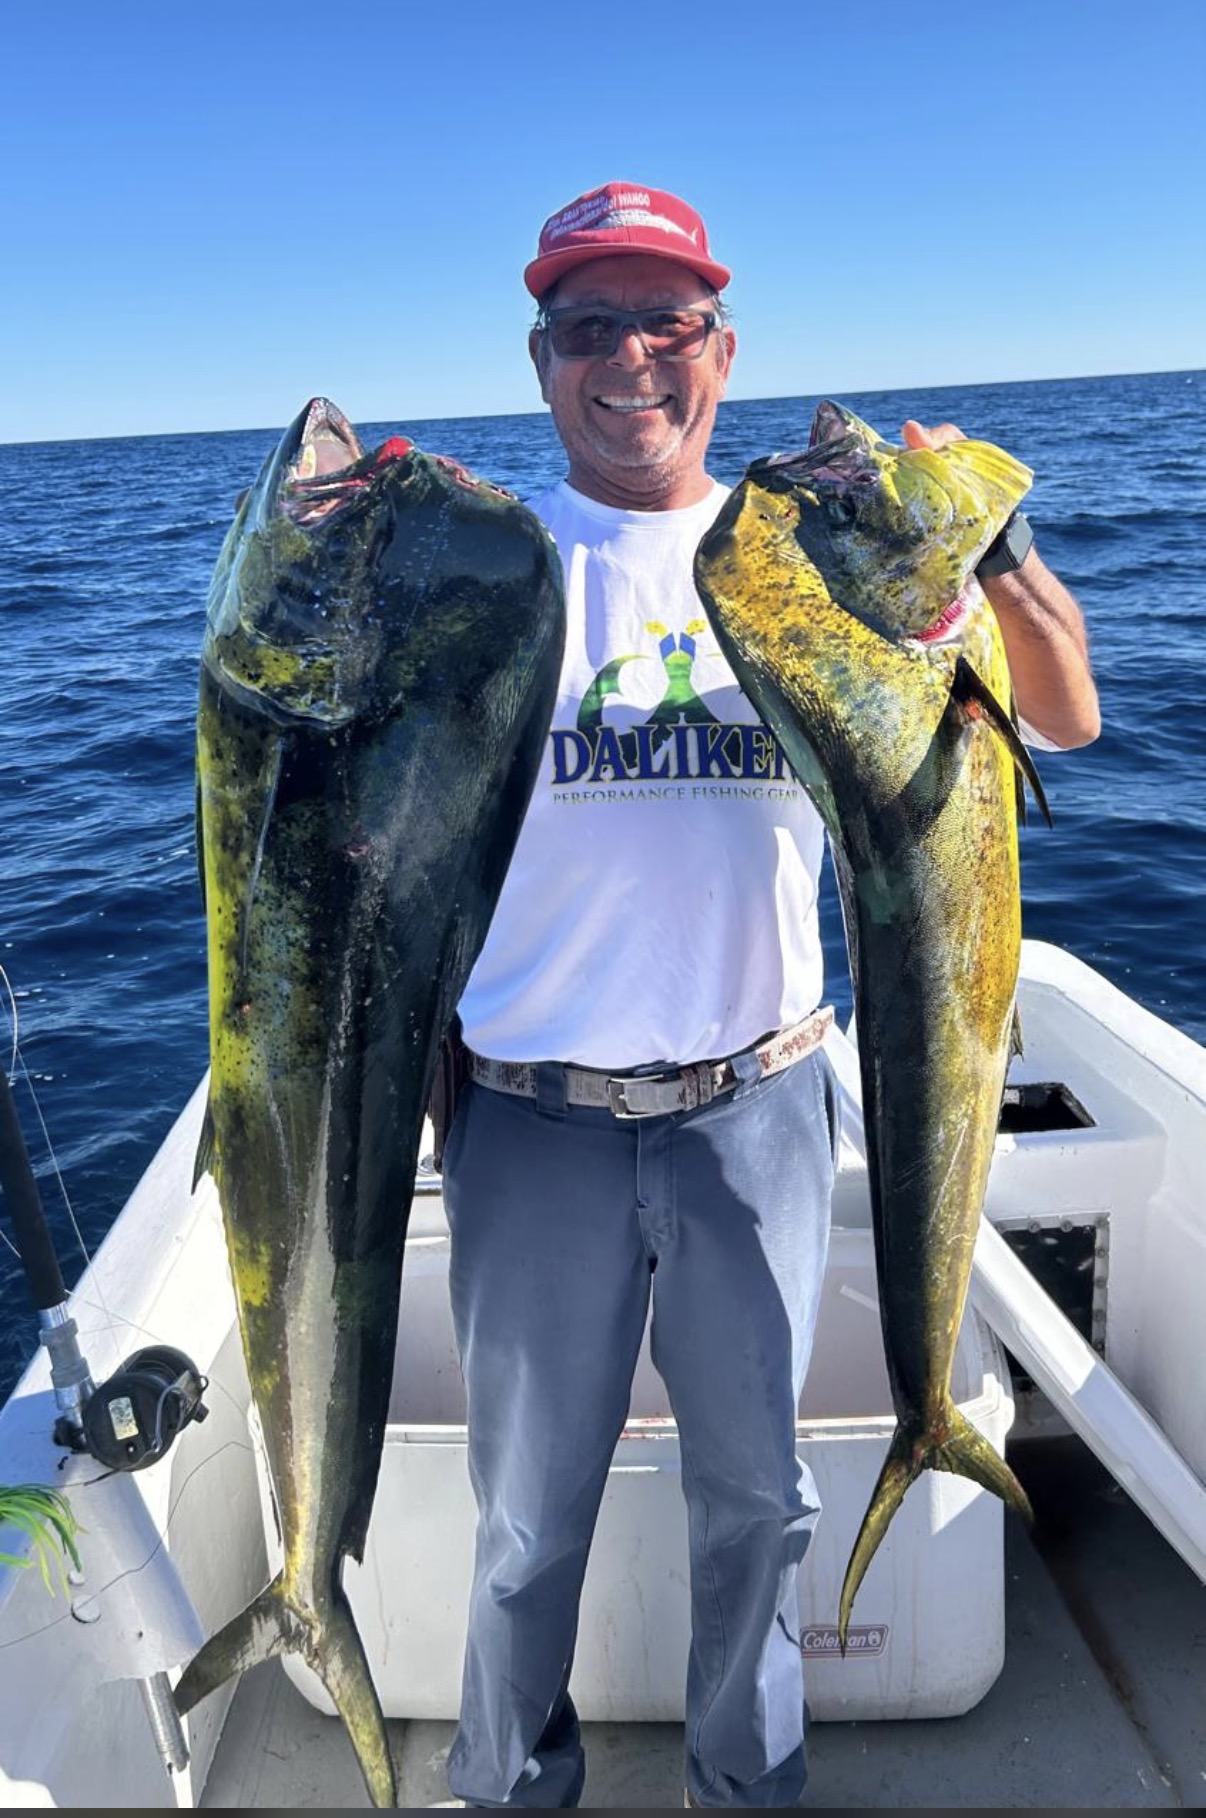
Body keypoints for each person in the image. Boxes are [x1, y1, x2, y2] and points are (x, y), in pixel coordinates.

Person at [438, 180, 1100, 1810]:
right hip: (532, 1124)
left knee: (760, 1504)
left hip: (760, 1107)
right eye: (587, 326)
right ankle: (510, 1781)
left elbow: (1066, 718)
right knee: (527, 1518)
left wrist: (991, 552)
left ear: (717, 348)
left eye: (662, 322)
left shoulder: (803, 550)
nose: (628, 360)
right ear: (541, 363)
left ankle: (748, 1788)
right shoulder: (494, 572)